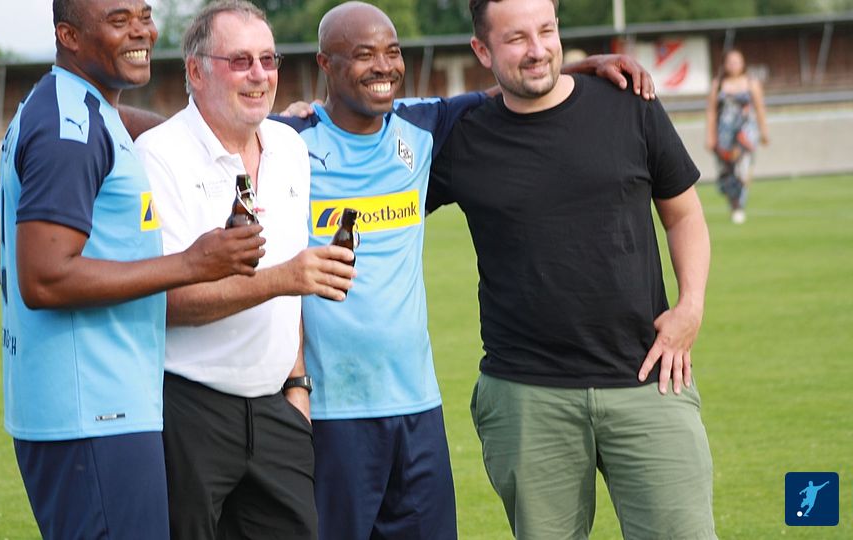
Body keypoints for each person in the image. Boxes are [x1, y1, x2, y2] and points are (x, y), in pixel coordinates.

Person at [273, 2, 656, 539]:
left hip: (418, 406)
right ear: (325, 64)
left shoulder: (422, 126)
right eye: (363, 55)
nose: (383, 66)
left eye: (392, 52)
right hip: (331, 409)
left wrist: (585, 65)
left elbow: (508, 88)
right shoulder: (287, 142)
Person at [0, 0, 266, 538]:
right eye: (118, 20)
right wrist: (193, 263)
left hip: (77, 412)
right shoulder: (70, 128)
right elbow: (41, 278)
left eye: (144, 15)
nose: (141, 31)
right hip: (95, 415)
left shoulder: (65, 107)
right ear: (69, 36)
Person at [427, 0, 714, 538]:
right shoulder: (461, 139)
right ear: (482, 50)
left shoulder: (629, 103)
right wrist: (307, 116)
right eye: (516, 38)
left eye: (547, 31)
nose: (537, 50)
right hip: (526, 396)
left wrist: (690, 307)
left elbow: (684, 216)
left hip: (649, 380)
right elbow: (377, 173)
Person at [132, 2, 355, 539]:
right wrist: (284, 278)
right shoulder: (156, 156)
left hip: (277, 409)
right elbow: (164, 302)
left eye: (268, 59)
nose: (259, 75)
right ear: (195, 71)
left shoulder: (290, 148)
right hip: (189, 410)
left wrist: (298, 388)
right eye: (240, 61)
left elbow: (292, 298)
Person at [705, 48, 769, 224]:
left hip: (745, 133)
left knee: (743, 168)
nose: (734, 65)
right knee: (727, 171)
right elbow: (711, 111)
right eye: (730, 62)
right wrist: (710, 136)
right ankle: (733, 203)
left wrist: (764, 131)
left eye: (737, 61)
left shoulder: (751, 83)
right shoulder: (718, 84)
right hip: (724, 134)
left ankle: (740, 204)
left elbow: (760, 108)